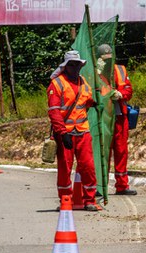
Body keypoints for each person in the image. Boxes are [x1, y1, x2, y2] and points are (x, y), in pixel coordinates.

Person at [47, 50, 99, 211]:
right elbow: (54, 111)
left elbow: (85, 100)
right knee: (65, 169)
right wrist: (62, 133)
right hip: (65, 134)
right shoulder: (56, 84)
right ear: (66, 66)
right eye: (72, 64)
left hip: (83, 131)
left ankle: (90, 200)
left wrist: (94, 102)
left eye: (78, 64)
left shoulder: (83, 82)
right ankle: (65, 200)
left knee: (88, 167)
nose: (75, 67)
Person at [96, 44, 136, 196]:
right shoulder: (95, 73)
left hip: (120, 117)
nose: (108, 61)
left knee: (121, 152)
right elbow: (94, 91)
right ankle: (100, 186)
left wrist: (121, 94)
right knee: (103, 152)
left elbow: (129, 89)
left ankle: (122, 185)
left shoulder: (121, 69)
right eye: (104, 59)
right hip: (104, 118)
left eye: (109, 58)